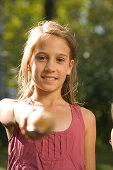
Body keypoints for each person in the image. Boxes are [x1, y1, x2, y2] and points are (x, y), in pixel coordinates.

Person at [0, 21, 96, 170]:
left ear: (69, 67)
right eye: (42, 58)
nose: (50, 67)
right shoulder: (18, 111)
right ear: (28, 63)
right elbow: (5, 107)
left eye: (59, 60)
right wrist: (26, 114)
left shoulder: (86, 119)